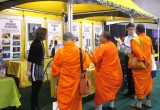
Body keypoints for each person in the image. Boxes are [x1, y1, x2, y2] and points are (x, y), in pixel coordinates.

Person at [51, 32, 90, 110]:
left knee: (63, 106)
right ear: (74, 40)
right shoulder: (81, 51)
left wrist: (55, 85)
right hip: (77, 85)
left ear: (63, 41)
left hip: (64, 86)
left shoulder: (59, 52)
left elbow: (56, 72)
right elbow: (87, 65)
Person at [87, 31, 122, 110]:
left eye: (100, 37)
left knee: (101, 91)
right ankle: (111, 105)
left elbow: (95, 60)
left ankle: (99, 107)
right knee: (112, 89)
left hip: (106, 74)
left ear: (104, 38)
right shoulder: (113, 45)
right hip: (116, 72)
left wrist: (89, 53)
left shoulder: (102, 47)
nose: (99, 38)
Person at [130, 24, 153, 109]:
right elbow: (152, 51)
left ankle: (139, 103)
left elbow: (138, 53)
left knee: (139, 84)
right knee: (148, 83)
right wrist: (147, 60)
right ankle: (148, 102)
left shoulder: (135, 40)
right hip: (148, 66)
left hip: (140, 66)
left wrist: (144, 60)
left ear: (137, 30)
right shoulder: (149, 39)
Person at [27, 27, 48, 110]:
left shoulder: (40, 43)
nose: (47, 35)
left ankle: (36, 106)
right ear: (42, 35)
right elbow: (30, 58)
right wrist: (28, 70)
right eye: (46, 34)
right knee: (35, 89)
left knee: (37, 88)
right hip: (35, 69)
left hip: (39, 68)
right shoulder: (35, 44)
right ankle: (33, 107)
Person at [121, 23, 136, 98]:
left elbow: (134, 46)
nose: (131, 30)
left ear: (134, 29)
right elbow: (124, 49)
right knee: (128, 75)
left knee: (135, 75)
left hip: (134, 58)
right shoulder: (126, 38)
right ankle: (130, 91)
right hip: (127, 57)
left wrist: (124, 44)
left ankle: (135, 92)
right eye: (129, 29)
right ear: (127, 29)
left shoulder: (137, 37)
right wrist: (122, 45)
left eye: (132, 29)